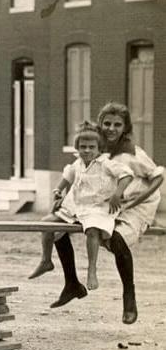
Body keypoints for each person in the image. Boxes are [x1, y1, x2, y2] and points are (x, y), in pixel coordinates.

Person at [51, 103, 164, 324]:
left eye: (118, 125)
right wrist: (62, 195)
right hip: (104, 203)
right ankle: (72, 283)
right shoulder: (96, 148)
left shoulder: (132, 153)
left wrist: (137, 200)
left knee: (117, 239)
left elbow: (157, 177)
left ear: (125, 128)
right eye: (107, 123)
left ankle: (129, 296)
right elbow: (80, 173)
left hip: (136, 205)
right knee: (58, 225)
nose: (112, 128)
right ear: (100, 124)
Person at [29, 122, 133, 291]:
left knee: (92, 230)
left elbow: (126, 175)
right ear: (77, 148)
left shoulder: (105, 163)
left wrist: (117, 194)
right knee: (46, 223)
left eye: (91, 147)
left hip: (97, 207)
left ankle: (92, 270)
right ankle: (46, 260)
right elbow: (66, 178)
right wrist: (58, 191)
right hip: (76, 206)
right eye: (83, 147)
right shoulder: (77, 164)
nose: (87, 151)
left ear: (99, 149)